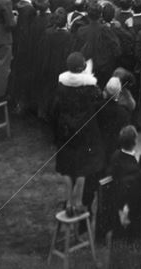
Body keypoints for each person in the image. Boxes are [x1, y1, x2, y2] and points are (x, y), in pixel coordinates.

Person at [51, 52, 105, 216]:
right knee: (83, 167)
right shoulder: (90, 87)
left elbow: (55, 109)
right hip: (85, 132)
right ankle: (79, 202)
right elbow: (99, 101)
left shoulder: (61, 85)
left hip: (65, 131)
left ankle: (68, 202)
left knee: (67, 167)